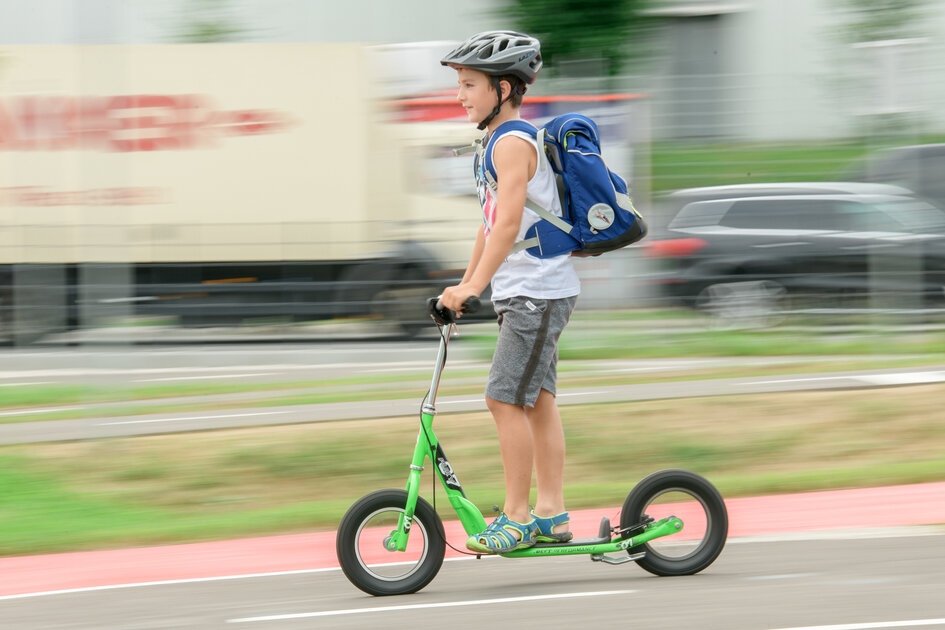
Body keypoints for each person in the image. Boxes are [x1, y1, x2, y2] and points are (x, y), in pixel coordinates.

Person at [438, 31, 581, 554]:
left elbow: (509, 224)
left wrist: (475, 286)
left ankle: (517, 518)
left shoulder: (513, 143)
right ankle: (551, 513)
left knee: (502, 398)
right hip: (528, 290)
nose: (460, 95)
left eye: (469, 84)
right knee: (537, 400)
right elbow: (489, 225)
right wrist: (465, 283)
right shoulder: (495, 143)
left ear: (503, 88)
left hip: (536, 291)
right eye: (460, 84)